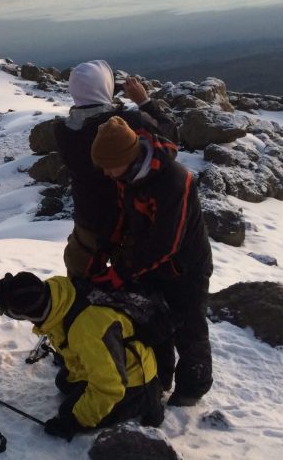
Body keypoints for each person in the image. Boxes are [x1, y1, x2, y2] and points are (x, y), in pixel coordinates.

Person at [87, 116, 213, 406]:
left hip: (186, 266)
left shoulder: (174, 180)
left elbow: (167, 242)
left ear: (127, 158)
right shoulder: (127, 176)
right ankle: (159, 377)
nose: (106, 173)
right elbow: (121, 216)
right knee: (153, 320)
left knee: (188, 326)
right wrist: (103, 252)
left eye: (109, 166)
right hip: (149, 261)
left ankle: (193, 386)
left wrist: (122, 272)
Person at [0, 271, 164, 441]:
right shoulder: (56, 293)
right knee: (64, 382)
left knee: (68, 414)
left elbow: (110, 386)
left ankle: (146, 401)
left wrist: (75, 421)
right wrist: (8, 290)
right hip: (110, 362)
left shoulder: (87, 330)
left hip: (134, 379)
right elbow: (27, 290)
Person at [53, 60, 178, 278]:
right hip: (131, 221)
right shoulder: (128, 122)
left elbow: (90, 115)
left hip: (89, 222)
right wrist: (144, 101)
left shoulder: (63, 131)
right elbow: (170, 136)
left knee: (81, 282)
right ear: (106, 88)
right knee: (133, 282)